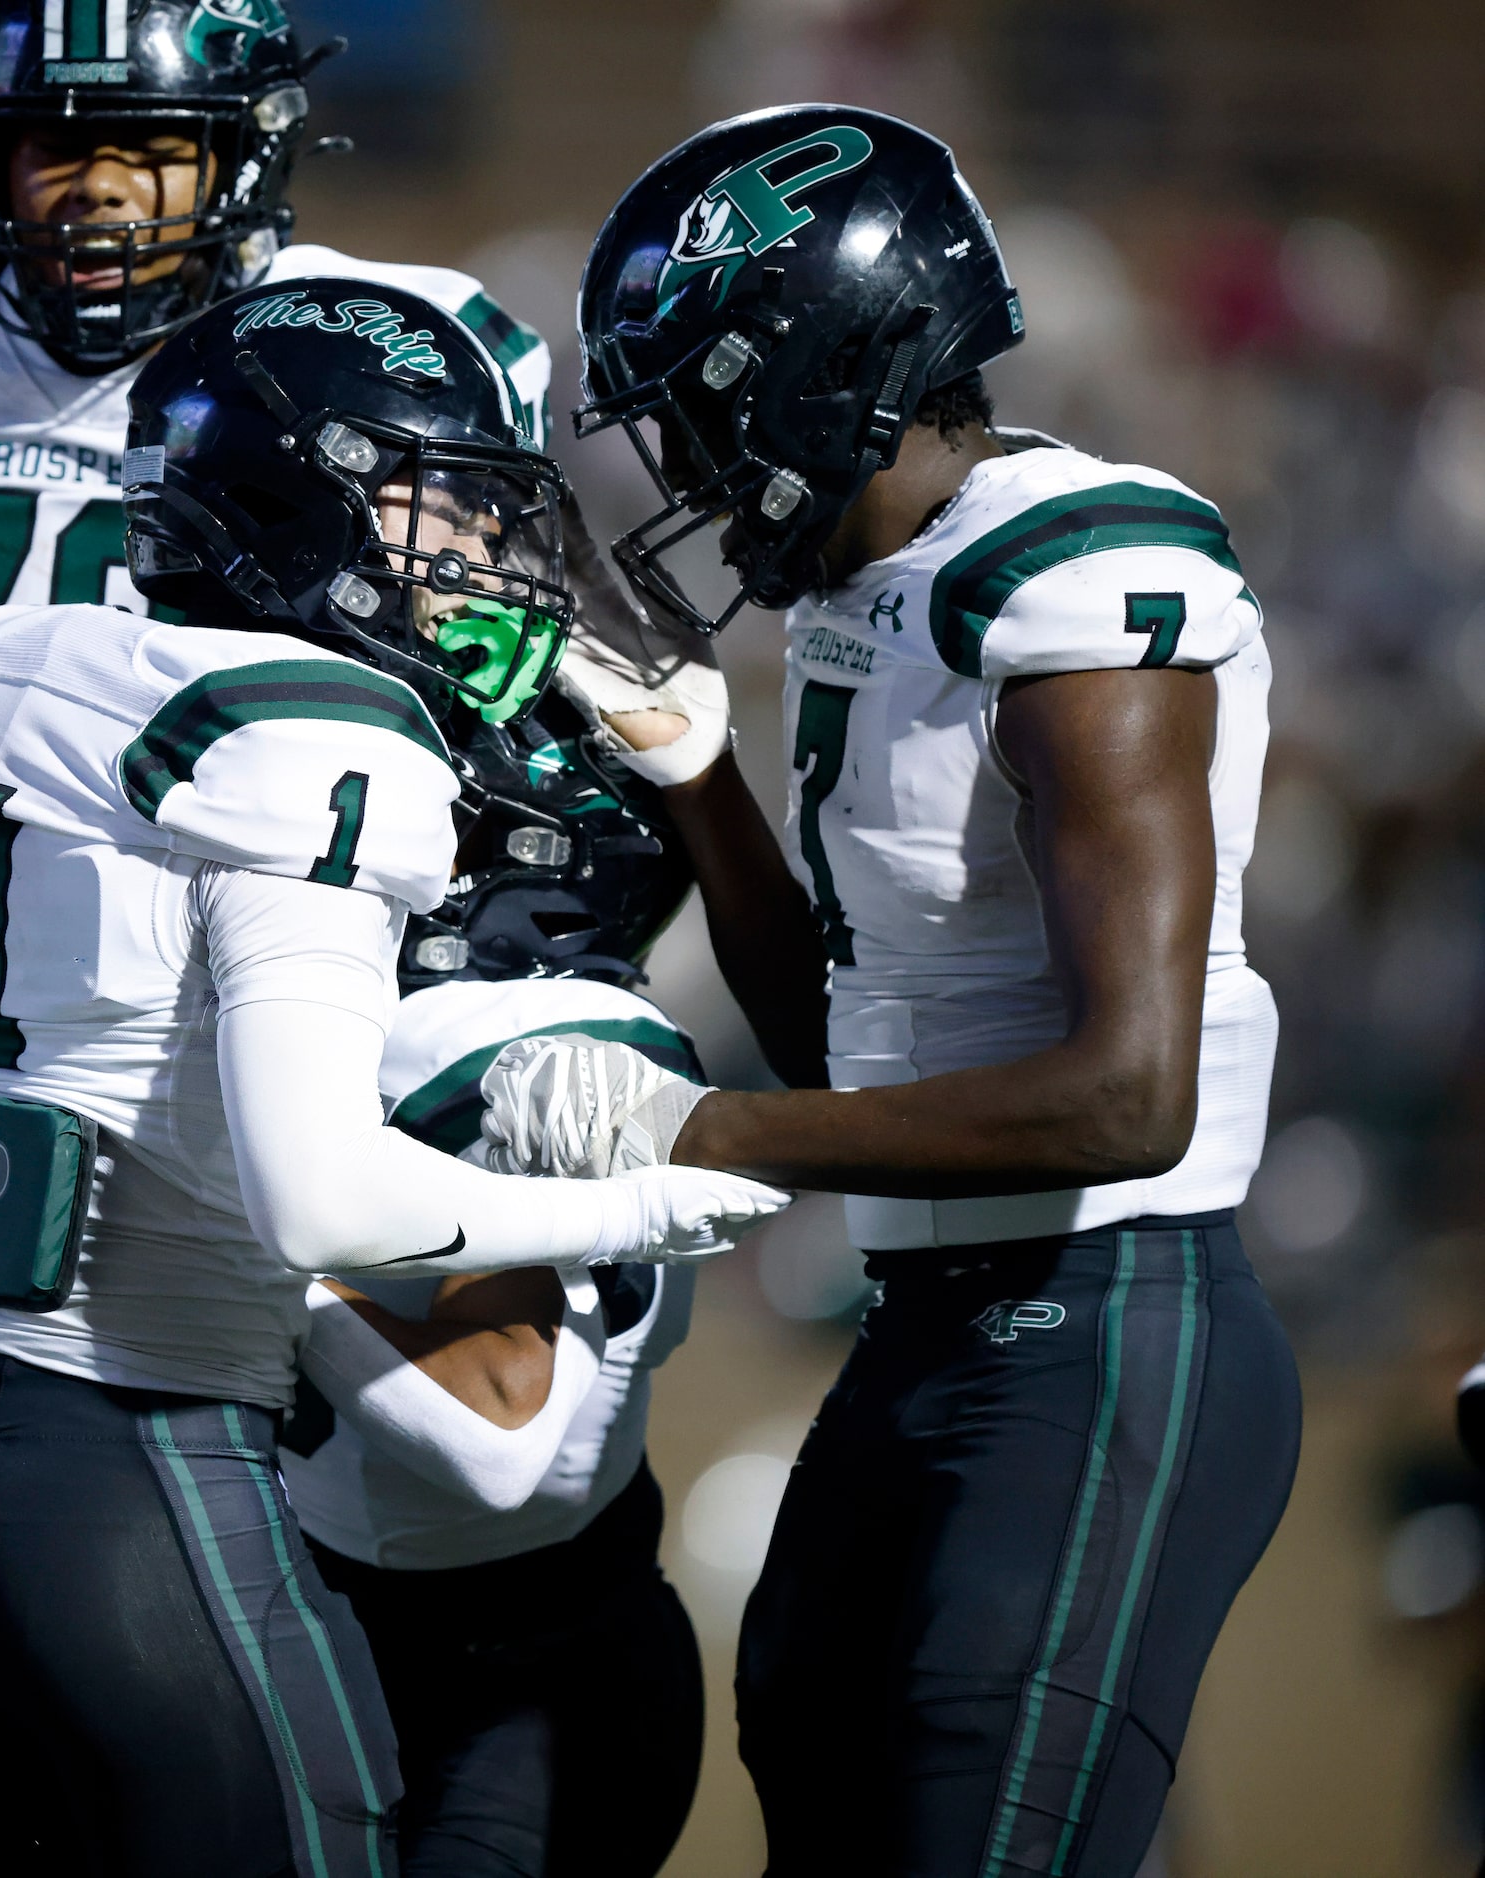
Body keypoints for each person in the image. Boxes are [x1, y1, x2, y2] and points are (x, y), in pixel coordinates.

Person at [0, 279, 790, 1873]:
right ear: (298, 489)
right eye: (439, 506)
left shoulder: (14, 667)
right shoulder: (334, 744)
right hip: (150, 1479)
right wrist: (646, 1191)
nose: (480, 561)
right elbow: (322, 1202)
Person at [0, 4, 555, 1864]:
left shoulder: (390, 347)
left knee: (343, 1720)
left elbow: (511, 741)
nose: (98, 191)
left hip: (262, 1135)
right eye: (51, 142)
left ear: (250, 147)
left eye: (152, 141)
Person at [485, 105, 1301, 1875]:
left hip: (1105, 1317)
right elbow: (850, 1056)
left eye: (704, 401)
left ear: (829, 364)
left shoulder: (1082, 568)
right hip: (936, 1317)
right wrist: (699, 781)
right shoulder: (883, 588)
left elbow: (1124, 1091)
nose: (685, 461)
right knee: (813, 1737)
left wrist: (695, 1131)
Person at [283, 691, 710, 1877]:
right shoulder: (453, 1018)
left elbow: (495, 1416)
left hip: (493, 1682)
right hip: (505, 1637)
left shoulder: (525, 1034)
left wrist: (228, 1255)